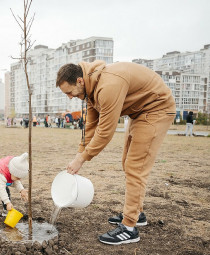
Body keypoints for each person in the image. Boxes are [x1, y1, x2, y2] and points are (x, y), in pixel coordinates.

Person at [56, 60, 176, 245]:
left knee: (136, 167)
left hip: (156, 109)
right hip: (138, 113)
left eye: (69, 92)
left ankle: (129, 228)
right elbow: (90, 126)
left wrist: (82, 159)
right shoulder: (89, 91)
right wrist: (78, 155)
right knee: (127, 163)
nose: (70, 97)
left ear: (79, 81)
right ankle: (137, 213)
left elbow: (105, 132)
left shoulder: (108, 86)